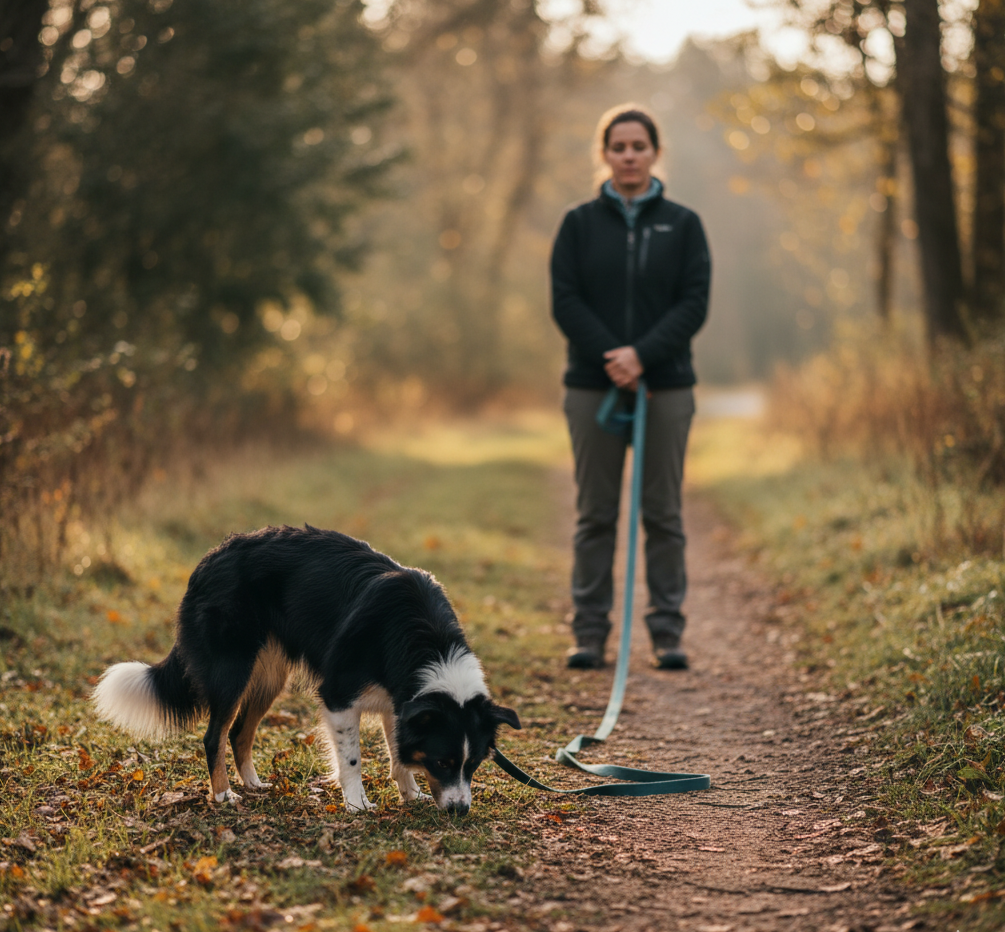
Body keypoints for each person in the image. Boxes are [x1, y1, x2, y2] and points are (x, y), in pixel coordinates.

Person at [550, 103, 711, 671]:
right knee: (595, 513)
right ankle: (589, 633)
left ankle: (667, 632)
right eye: (618, 146)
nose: (628, 156)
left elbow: (694, 302)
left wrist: (643, 355)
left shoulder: (684, 223)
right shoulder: (578, 223)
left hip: (665, 386)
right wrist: (611, 358)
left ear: (654, 152)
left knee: (663, 512)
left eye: (638, 146)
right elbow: (565, 299)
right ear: (605, 153)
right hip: (592, 387)